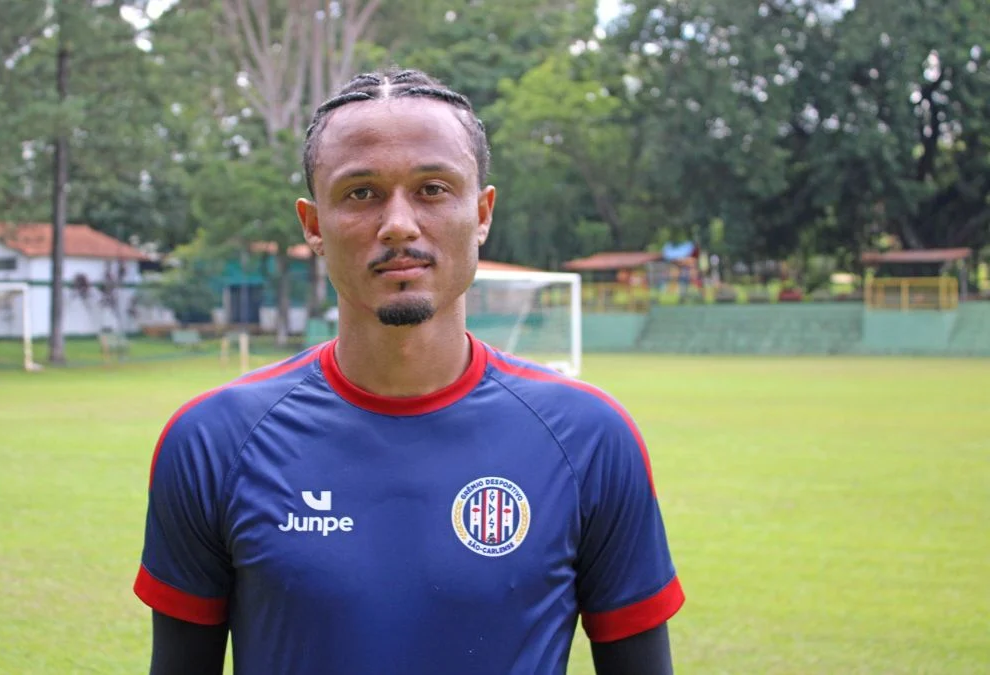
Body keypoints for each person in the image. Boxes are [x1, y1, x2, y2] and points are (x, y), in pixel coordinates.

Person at [134, 68, 684, 675]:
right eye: (361, 193)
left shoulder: (591, 438)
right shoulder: (212, 440)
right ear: (314, 224)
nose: (398, 223)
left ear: (482, 213)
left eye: (432, 189)